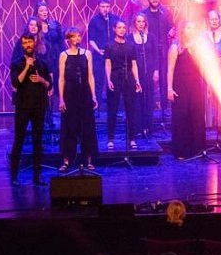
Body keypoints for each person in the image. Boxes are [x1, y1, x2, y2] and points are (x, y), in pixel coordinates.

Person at [8, 33, 52, 186]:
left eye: (30, 42)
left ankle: (37, 177)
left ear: (34, 43)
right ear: (22, 45)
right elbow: (16, 82)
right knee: (19, 140)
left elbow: (49, 85)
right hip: (23, 107)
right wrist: (27, 66)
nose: (28, 45)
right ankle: (14, 176)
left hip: (39, 107)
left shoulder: (42, 64)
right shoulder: (16, 64)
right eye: (25, 42)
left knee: (37, 142)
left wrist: (42, 80)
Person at [57, 28, 97, 172]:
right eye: (74, 36)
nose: (77, 38)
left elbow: (90, 76)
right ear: (68, 39)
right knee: (69, 127)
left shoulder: (87, 53)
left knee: (87, 127)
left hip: (84, 93)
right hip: (70, 93)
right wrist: (61, 99)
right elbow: (61, 78)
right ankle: (66, 160)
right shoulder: (64, 55)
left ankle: (88, 159)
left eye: (79, 36)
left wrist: (94, 95)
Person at [167, 21, 207, 159]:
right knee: (181, 117)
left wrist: (207, 85)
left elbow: (202, 68)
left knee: (197, 115)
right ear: (183, 30)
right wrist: (169, 88)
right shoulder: (176, 47)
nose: (191, 30)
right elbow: (170, 69)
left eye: (193, 28)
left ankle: (198, 149)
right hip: (180, 86)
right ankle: (181, 151)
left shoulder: (197, 47)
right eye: (189, 28)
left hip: (196, 86)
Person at [105, 20, 142, 150]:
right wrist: (108, 79)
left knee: (131, 109)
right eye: (119, 27)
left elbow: (134, 64)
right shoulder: (109, 45)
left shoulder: (131, 46)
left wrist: (137, 80)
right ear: (114, 29)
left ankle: (131, 138)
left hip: (128, 76)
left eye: (124, 28)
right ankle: (110, 139)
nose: (122, 30)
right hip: (115, 76)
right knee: (112, 109)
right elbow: (108, 63)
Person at [141, 0, 175, 121]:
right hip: (149, 52)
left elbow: (172, 28)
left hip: (163, 52)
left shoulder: (165, 12)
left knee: (164, 81)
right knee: (149, 80)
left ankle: (165, 108)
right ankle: (147, 109)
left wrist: (171, 32)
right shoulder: (144, 14)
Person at [87, 0, 121, 106]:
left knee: (113, 81)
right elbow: (91, 39)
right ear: (98, 7)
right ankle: (97, 107)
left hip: (114, 56)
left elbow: (121, 35)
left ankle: (113, 107)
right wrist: (98, 50)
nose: (105, 9)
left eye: (107, 6)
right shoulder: (94, 21)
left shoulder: (115, 19)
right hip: (99, 56)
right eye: (102, 6)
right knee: (99, 81)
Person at [128, 13, 155, 138]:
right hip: (135, 72)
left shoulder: (151, 37)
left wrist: (156, 71)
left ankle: (148, 127)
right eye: (138, 21)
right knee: (136, 100)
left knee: (148, 99)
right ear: (134, 23)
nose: (141, 24)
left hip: (148, 71)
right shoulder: (129, 38)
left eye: (143, 21)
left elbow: (155, 55)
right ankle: (137, 127)